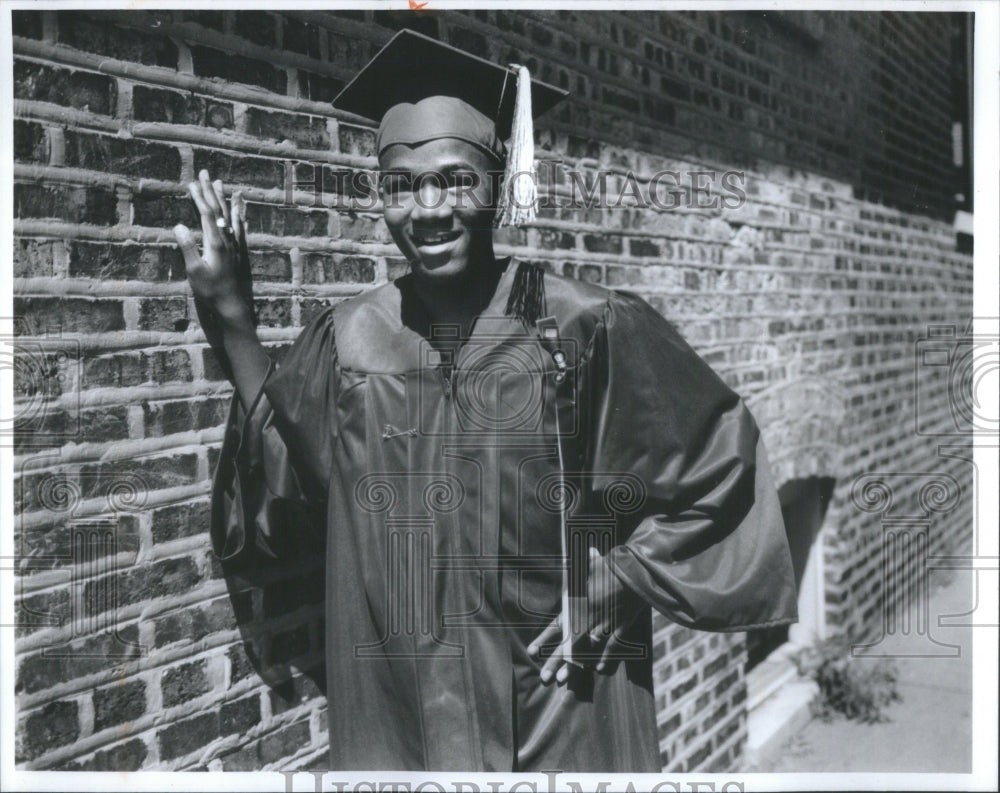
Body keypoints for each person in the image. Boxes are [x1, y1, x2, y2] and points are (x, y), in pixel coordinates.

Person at [173, 30, 797, 773]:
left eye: (455, 178)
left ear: (498, 183)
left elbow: (721, 468)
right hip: (404, 719)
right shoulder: (348, 341)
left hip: (564, 708)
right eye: (402, 185)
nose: (428, 208)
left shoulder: (583, 325)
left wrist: (625, 577)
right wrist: (234, 321)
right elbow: (285, 490)